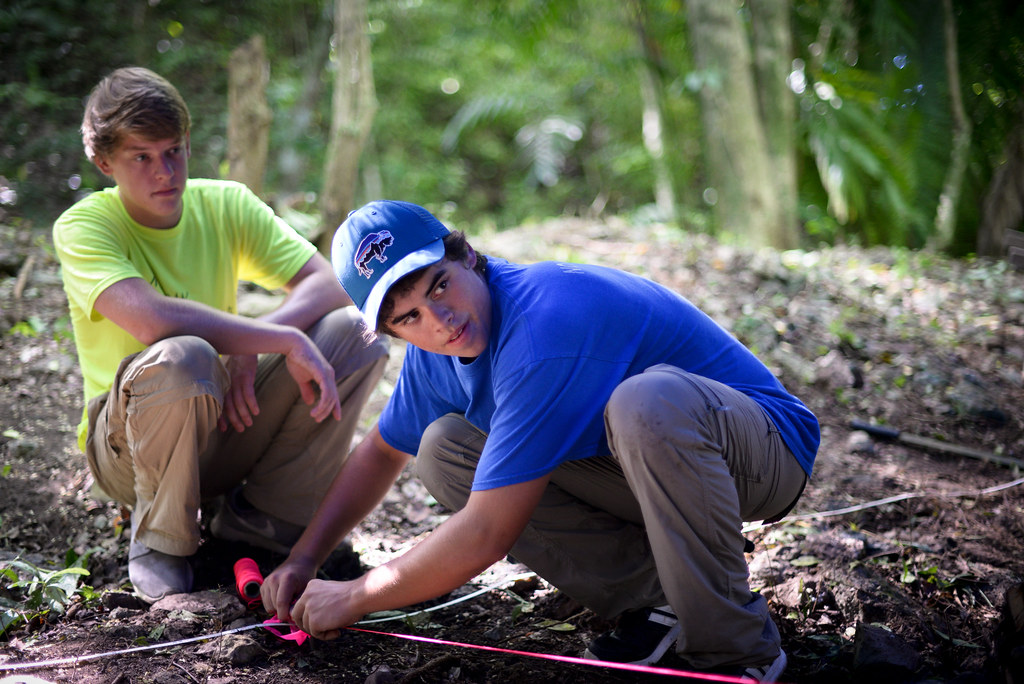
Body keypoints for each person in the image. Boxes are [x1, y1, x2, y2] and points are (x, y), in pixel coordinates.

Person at [261, 200, 819, 681]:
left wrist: (356, 596)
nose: (441, 320)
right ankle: (662, 599)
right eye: (409, 317)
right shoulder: (437, 352)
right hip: (641, 466)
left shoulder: (542, 324)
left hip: (759, 452)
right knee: (446, 449)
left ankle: (734, 646)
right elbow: (383, 451)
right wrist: (304, 559)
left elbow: (486, 533)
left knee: (642, 402)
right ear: (393, 330)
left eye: (441, 285)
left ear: (467, 256)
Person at [52, 67, 389, 604]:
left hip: (223, 422)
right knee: (183, 355)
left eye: (174, 151)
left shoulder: (225, 203)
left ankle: (264, 521)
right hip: (128, 451)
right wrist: (265, 340)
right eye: (142, 156)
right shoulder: (84, 226)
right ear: (104, 161)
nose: (165, 171)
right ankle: (162, 538)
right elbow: (150, 321)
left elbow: (331, 281)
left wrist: (254, 346)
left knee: (356, 333)